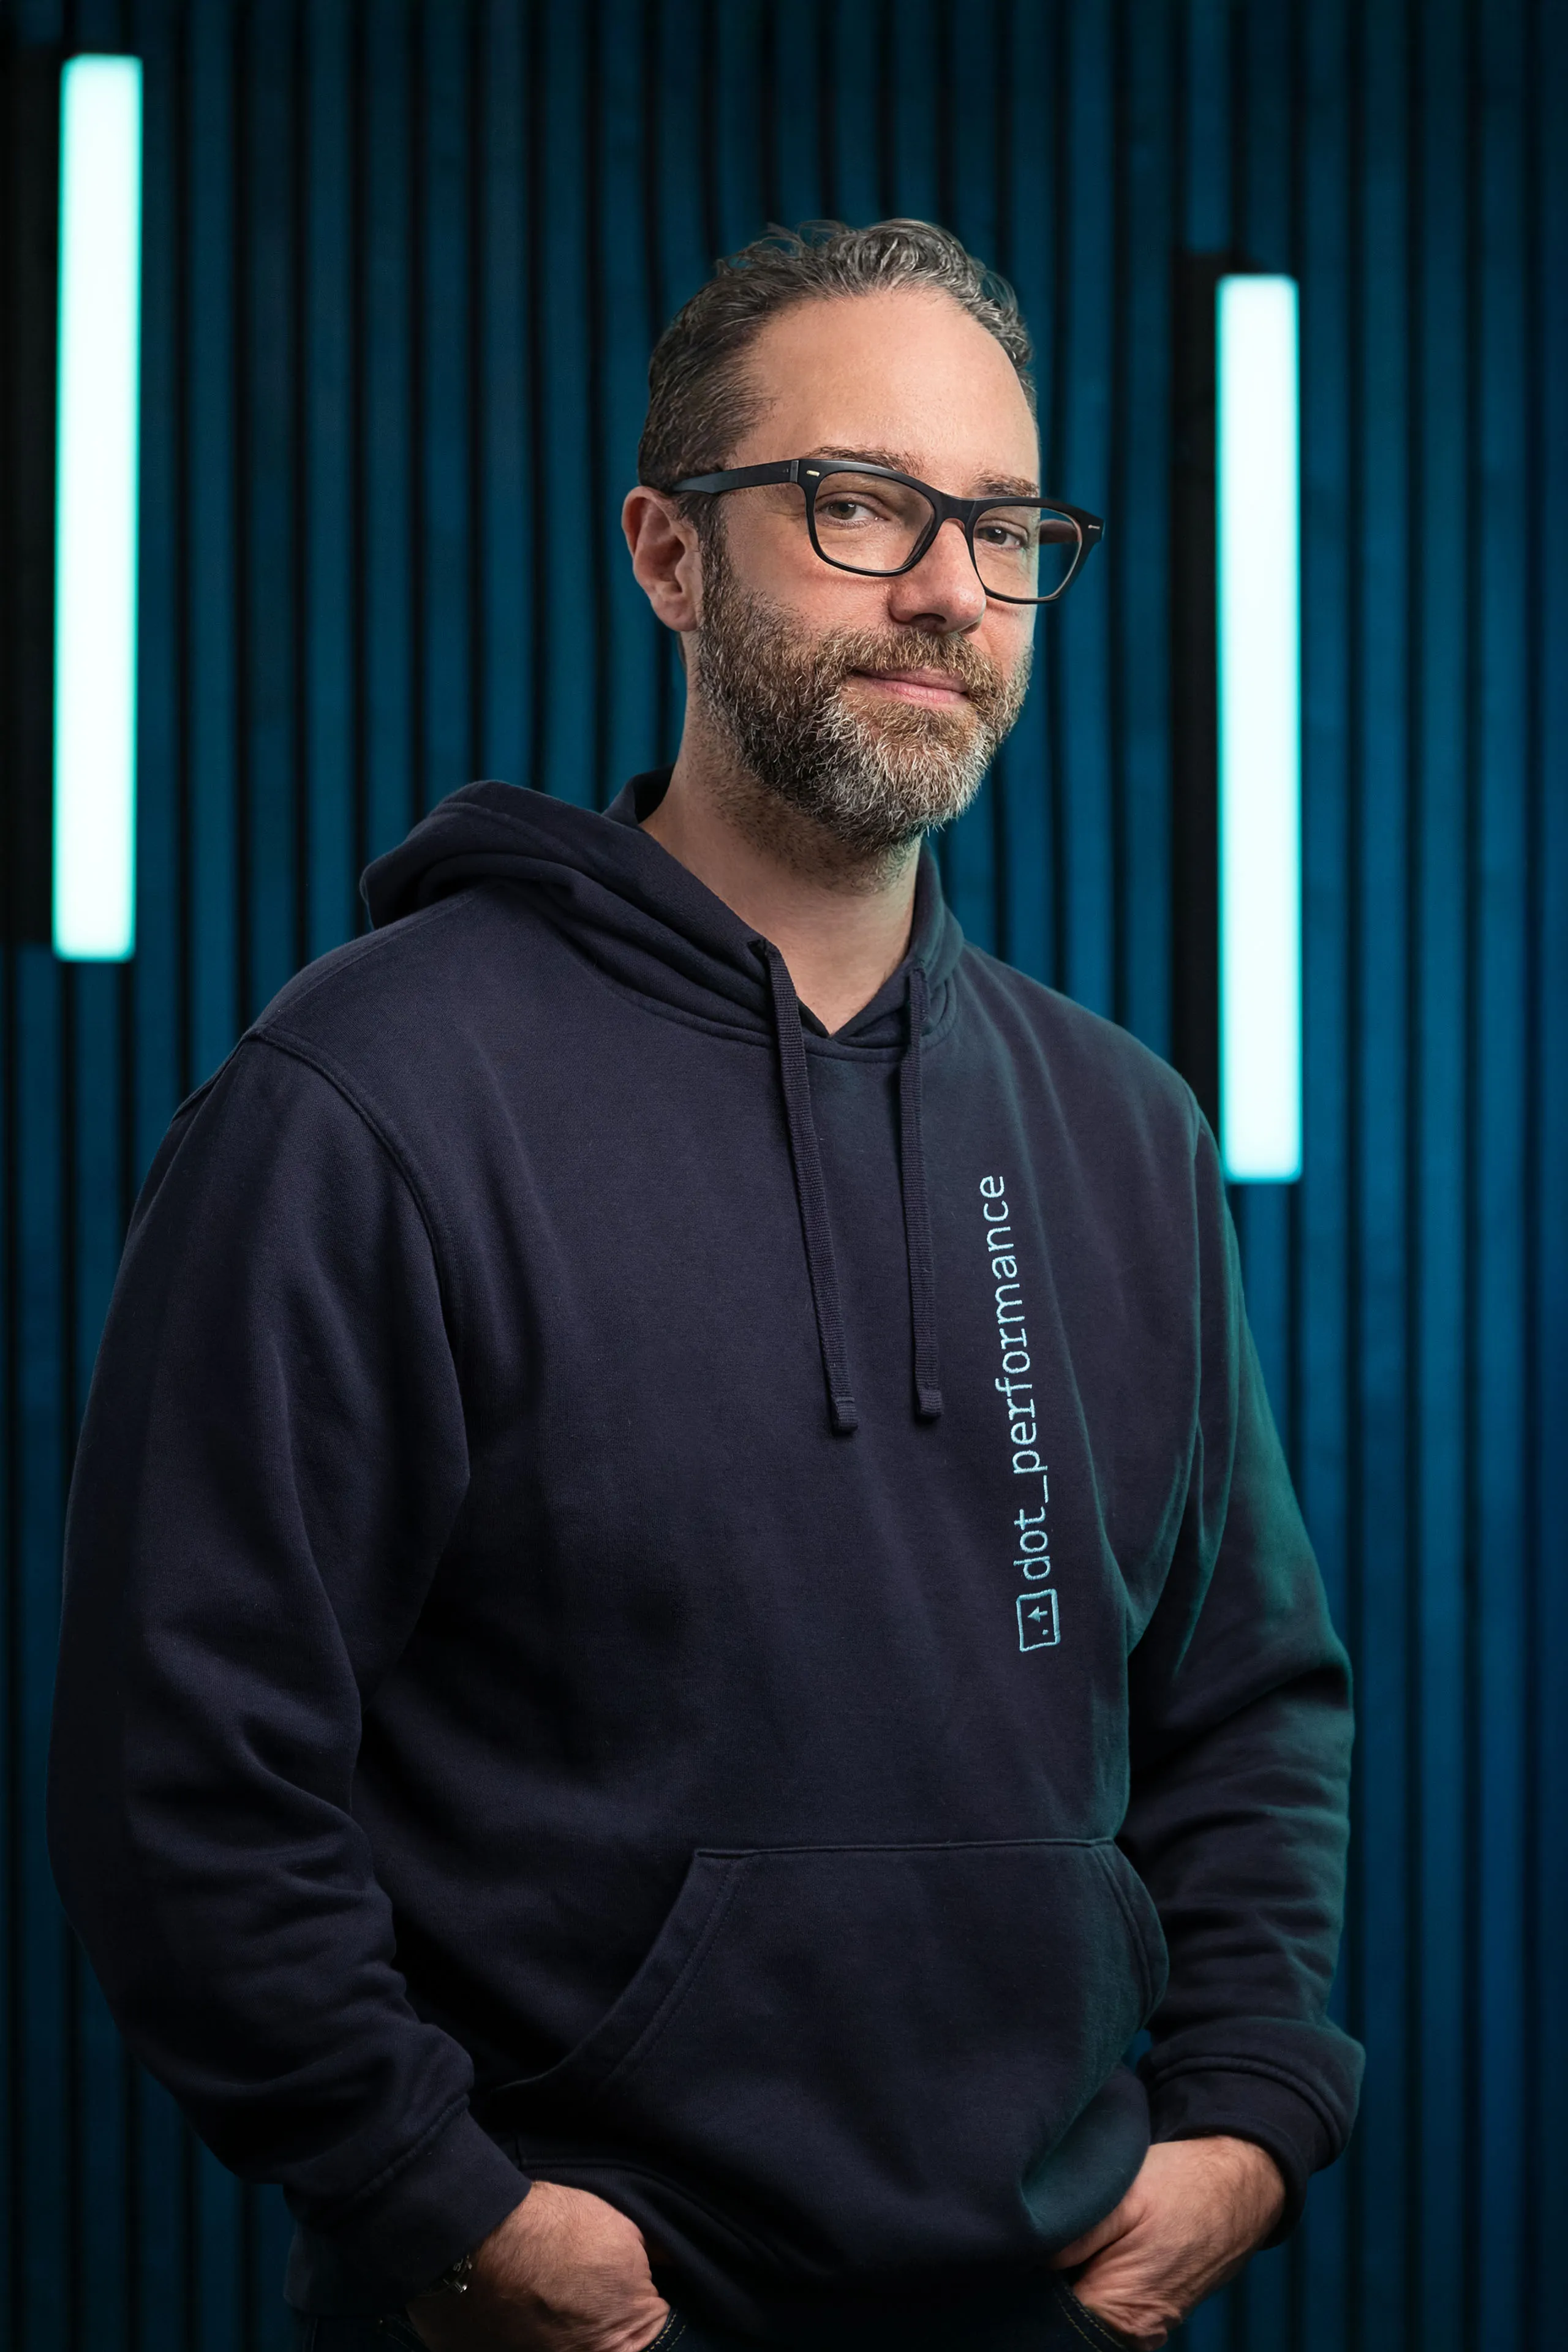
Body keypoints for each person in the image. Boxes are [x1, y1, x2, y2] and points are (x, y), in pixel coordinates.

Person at [48, 221, 1360, 2352]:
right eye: (862, 506)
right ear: (667, 554)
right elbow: (184, 1771)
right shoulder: (369, 1100)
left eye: (1008, 527)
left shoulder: (1125, 1131)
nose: (948, 586)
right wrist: (441, 2200)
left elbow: (1247, 1707)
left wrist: (1253, 2112)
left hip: (1053, 2306)